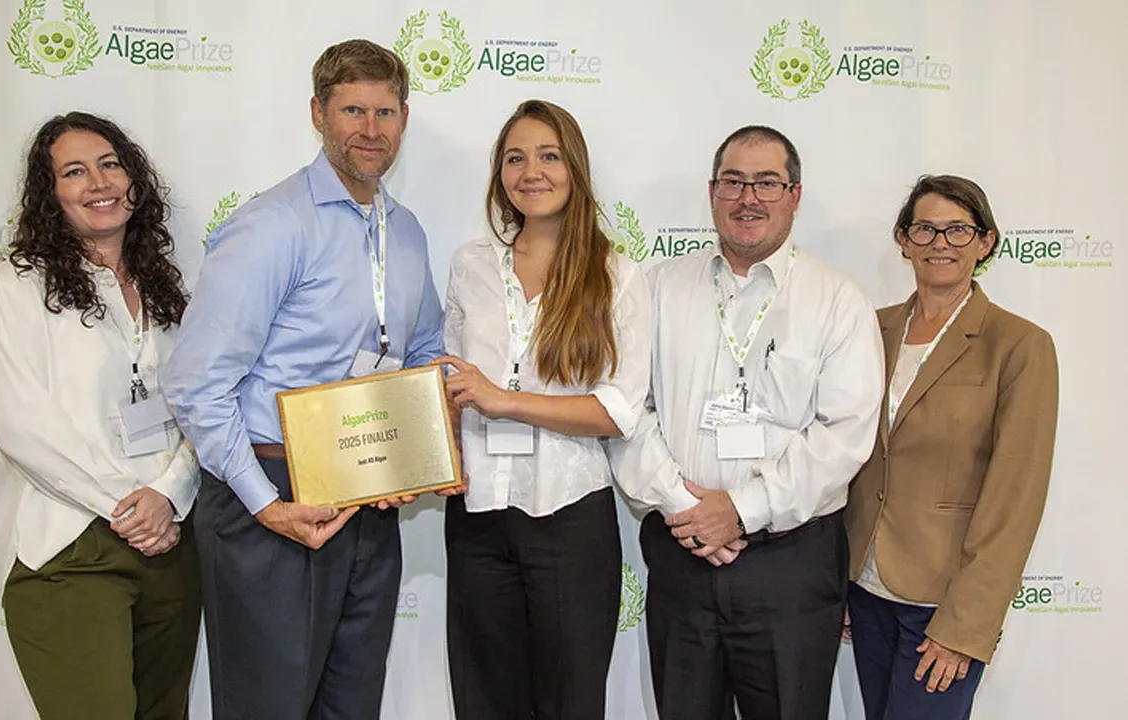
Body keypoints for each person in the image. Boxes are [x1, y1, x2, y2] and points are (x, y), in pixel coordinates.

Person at [163, 39, 445, 720]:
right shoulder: (271, 226)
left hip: (367, 502)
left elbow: (424, 349)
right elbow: (197, 383)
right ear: (318, 113)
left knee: (353, 703)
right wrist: (265, 504)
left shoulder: (406, 233)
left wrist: (410, 455)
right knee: (268, 705)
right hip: (269, 496)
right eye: (352, 110)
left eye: (384, 112)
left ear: (404, 119)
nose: (370, 129)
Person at [607, 125, 885, 720]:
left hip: (790, 566)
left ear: (795, 195)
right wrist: (685, 506)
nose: (748, 198)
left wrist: (739, 510)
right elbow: (627, 411)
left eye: (766, 183)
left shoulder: (838, 300)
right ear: (712, 192)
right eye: (733, 182)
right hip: (682, 557)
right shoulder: (657, 287)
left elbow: (844, 435)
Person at [0, 111, 199, 720]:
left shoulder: (165, 288)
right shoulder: (20, 287)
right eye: (74, 172)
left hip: (170, 542)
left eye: (110, 165)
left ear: (134, 180)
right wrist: (130, 507)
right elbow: (20, 426)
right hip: (70, 544)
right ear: (50, 194)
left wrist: (169, 496)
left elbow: (201, 407)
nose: (99, 183)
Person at [434, 99, 651, 720]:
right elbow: (448, 383)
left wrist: (505, 400)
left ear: (574, 167)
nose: (532, 171)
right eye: (515, 158)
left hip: (569, 518)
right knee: (483, 699)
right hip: (477, 515)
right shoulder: (471, 265)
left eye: (549, 156)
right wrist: (439, 450)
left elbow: (618, 409)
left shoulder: (615, 275)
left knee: (569, 702)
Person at [843, 174, 1059, 720]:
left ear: (986, 242)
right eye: (925, 229)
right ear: (904, 240)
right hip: (865, 589)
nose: (940, 243)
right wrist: (839, 580)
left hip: (942, 605)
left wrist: (966, 626)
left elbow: (1016, 498)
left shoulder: (1019, 345)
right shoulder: (870, 329)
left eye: (958, 230)